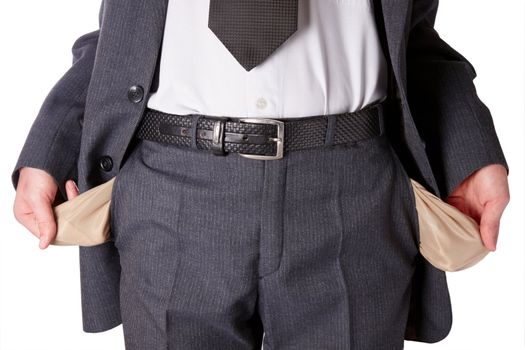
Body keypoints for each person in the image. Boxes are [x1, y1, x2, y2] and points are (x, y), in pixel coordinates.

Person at [11, 0, 510, 349]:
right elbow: (119, 37)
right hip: (173, 193)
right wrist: (49, 146)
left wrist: (472, 151)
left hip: (349, 196)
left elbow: (413, 38)